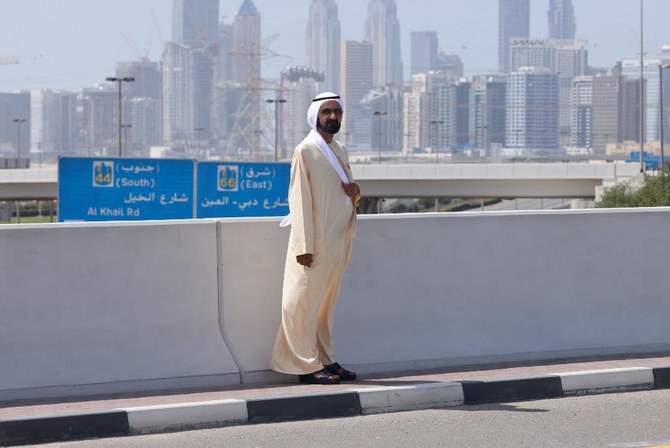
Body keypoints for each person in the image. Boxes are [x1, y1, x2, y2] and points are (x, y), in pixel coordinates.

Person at [270, 92, 361, 385]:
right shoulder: (305, 151)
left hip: (338, 242)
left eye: (337, 111)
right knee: (301, 304)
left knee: (325, 305)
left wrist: (356, 192)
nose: (333, 117)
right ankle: (305, 365)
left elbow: (345, 193)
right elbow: (298, 201)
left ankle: (325, 358)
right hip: (313, 245)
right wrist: (303, 246)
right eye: (327, 112)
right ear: (315, 116)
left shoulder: (340, 150)